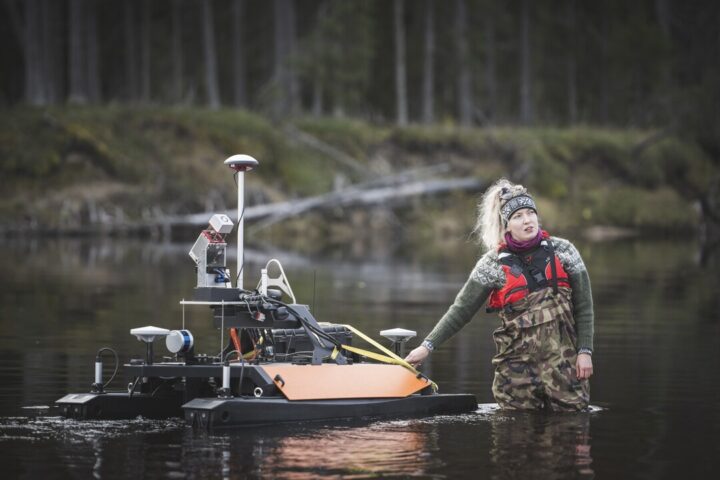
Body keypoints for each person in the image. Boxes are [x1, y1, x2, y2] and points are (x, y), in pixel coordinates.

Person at [405, 179, 594, 411]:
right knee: (514, 440)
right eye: (518, 216)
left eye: (530, 213)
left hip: (565, 368)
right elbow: (461, 310)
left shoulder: (565, 251)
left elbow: (584, 308)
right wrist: (427, 346)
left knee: (571, 434)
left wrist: (585, 352)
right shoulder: (491, 264)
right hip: (515, 374)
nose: (527, 220)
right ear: (505, 226)